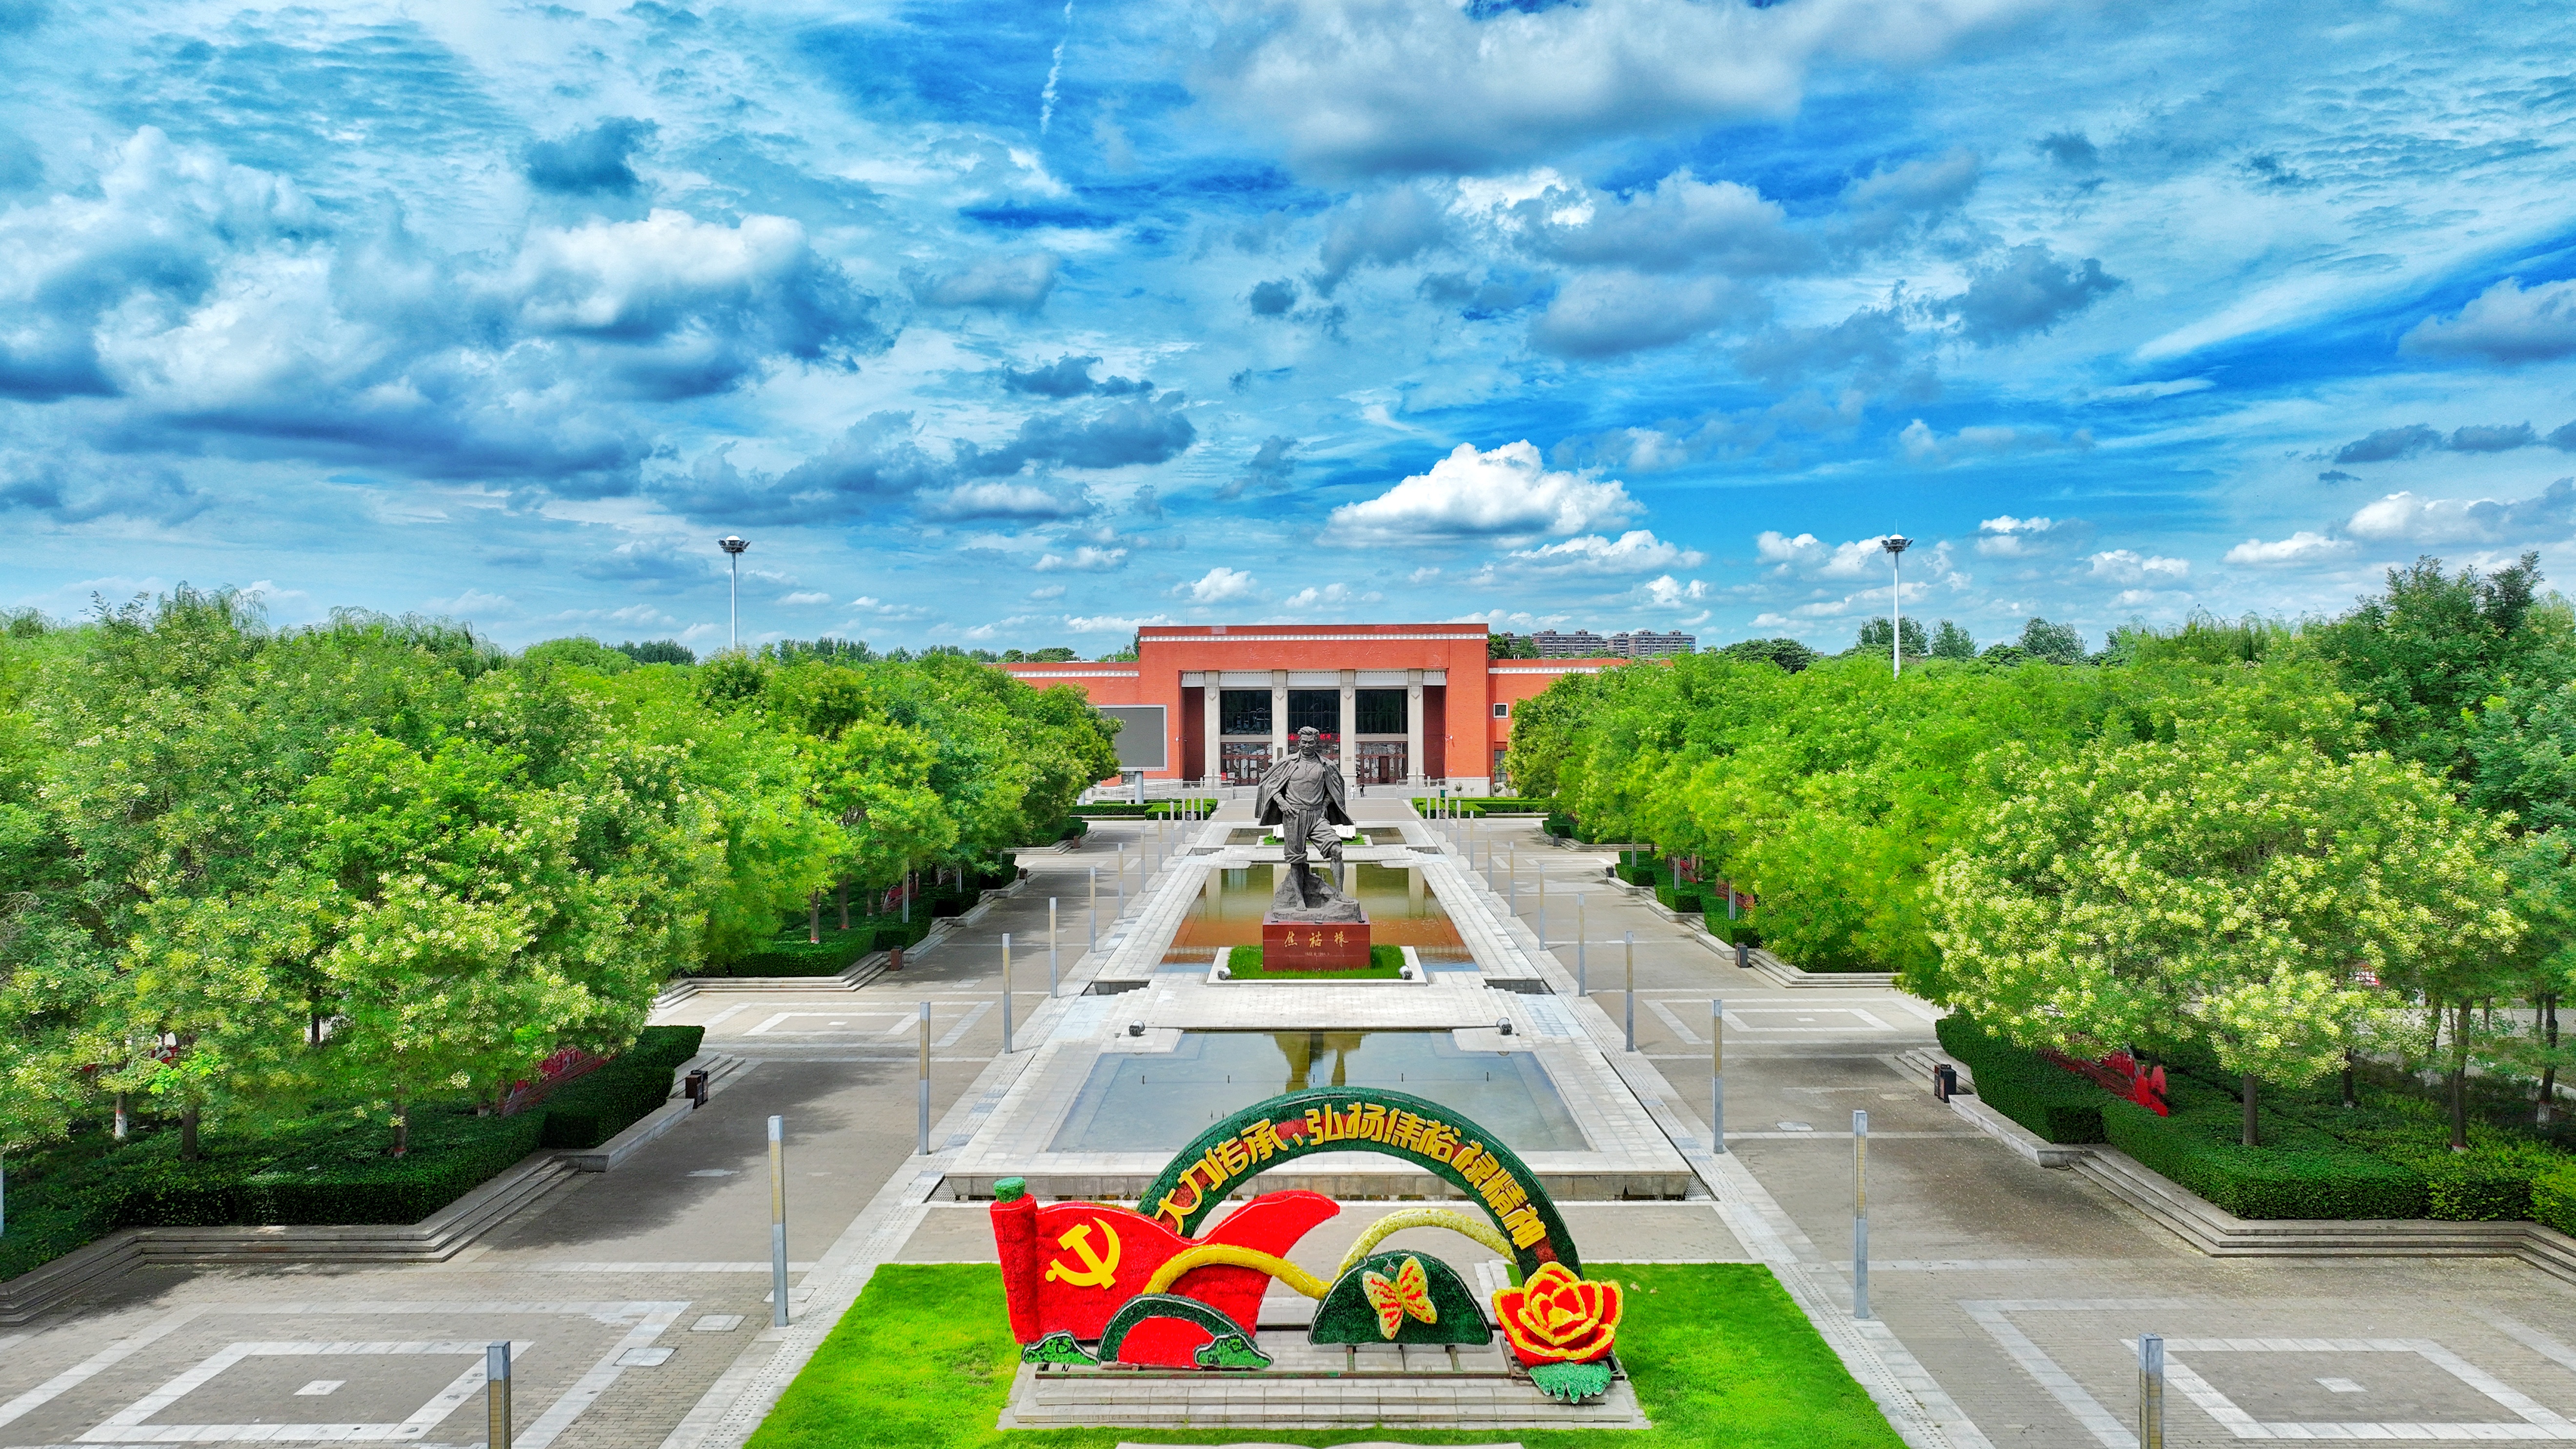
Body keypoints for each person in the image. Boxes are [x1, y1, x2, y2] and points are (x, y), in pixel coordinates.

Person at [1254, 726, 1354, 913]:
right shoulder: (1288, 763)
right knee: (1296, 861)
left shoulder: (1326, 765)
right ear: (1298, 742)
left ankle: (1340, 893)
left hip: (1317, 816)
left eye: (1311, 742)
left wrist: (1325, 805)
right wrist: (1282, 803)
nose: (1307, 745)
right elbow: (1269, 784)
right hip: (1294, 816)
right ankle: (1299, 900)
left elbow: (1336, 789)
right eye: (1304, 742)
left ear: (1317, 744)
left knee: (1336, 850)